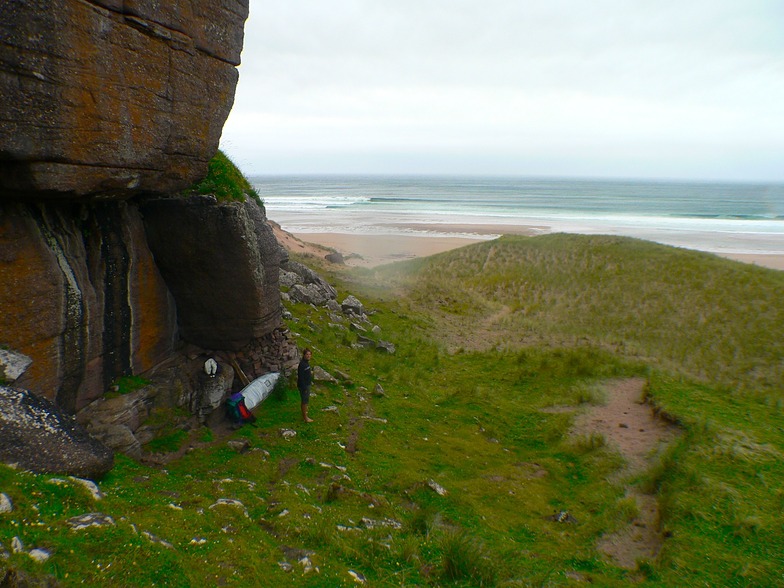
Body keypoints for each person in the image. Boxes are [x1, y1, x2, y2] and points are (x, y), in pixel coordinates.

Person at [297, 348, 314, 422]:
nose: (308, 356)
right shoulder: (302, 364)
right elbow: (300, 376)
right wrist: (304, 388)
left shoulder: (306, 363)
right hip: (304, 386)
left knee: (306, 400)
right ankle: (305, 418)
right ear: (304, 355)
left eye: (310, 354)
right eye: (307, 354)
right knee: (304, 401)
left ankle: (304, 413)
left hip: (307, 384)